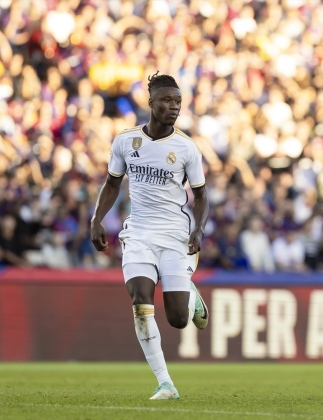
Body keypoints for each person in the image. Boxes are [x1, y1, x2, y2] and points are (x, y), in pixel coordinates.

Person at [90, 72, 209, 400]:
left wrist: (198, 229)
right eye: (167, 101)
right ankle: (165, 383)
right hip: (139, 233)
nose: (174, 107)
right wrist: (96, 219)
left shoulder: (186, 147)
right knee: (140, 300)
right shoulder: (126, 141)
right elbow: (112, 183)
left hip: (174, 235)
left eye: (178, 102)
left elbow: (201, 195)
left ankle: (189, 291)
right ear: (151, 102)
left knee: (178, 319)